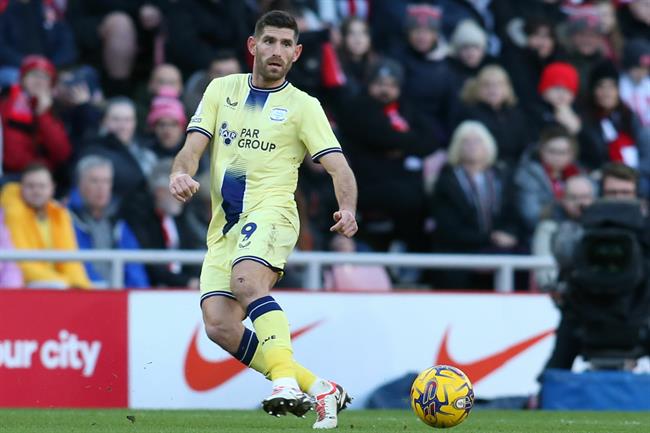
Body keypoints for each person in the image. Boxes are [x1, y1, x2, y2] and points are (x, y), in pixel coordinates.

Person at [169, 11, 357, 429]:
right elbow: (192, 146)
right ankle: (319, 386)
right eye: (269, 41)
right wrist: (180, 173)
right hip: (225, 228)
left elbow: (340, 168)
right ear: (253, 46)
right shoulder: (221, 90)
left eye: (286, 44)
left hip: (273, 213)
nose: (277, 51)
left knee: (247, 283)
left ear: (297, 53)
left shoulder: (304, 106)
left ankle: (286, 382)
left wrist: (348, 208)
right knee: (219, 325)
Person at [0, 164, 91, 289]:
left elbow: (71, 260)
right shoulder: (13, 214)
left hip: (59, 285)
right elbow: (22, 263)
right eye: (31, 186)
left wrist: (81, 286)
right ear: (21, 188)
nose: (36, 191)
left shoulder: (60, 215)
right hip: (28, 286)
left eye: (42, 186)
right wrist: (65, 283)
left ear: (52, 188)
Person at [68, 155, 149, 289]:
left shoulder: (118, 222)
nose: (101, 187)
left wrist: (137, 293)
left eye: (106, 181)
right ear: (80, 184)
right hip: (83, 295)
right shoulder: (66, 219)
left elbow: (135, 268)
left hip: (119, 297)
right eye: (94, 181)